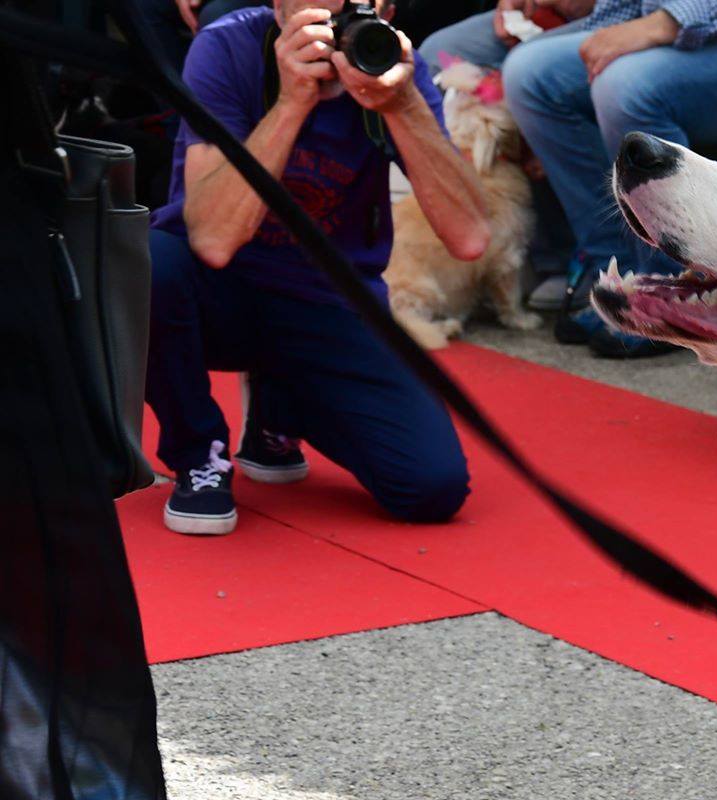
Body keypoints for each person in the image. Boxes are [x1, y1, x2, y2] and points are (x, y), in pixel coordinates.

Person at [148, 0, 490, 536]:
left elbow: (470, 237)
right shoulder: (228, 47)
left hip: (328, 300)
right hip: (221, 289)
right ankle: (199, 455)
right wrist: (291, 102)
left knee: (431, 487)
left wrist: (401, 107)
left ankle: (279, 408)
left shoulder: (393, 63)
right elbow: (213, 240)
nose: (334, 27)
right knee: (151, 265)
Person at [418, 0, 717, 359]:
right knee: (530, 74)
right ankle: (612, 270)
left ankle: (669, 291)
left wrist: (659, 24)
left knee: (624, 86)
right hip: (662, 20)